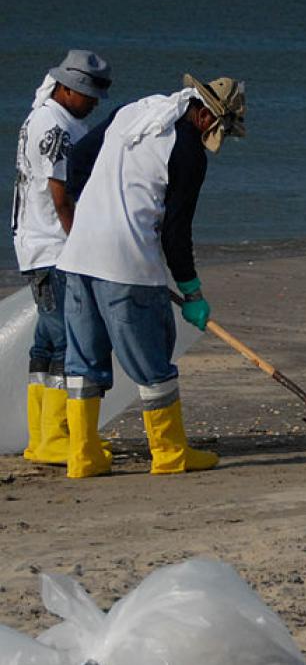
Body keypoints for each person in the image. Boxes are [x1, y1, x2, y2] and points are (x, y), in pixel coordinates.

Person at [56, 75, 246, 478]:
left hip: (77, 256)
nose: (219, 136)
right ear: (207, 114)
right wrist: (191, 290)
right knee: (152, 362)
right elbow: (177, 232)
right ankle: (170, 453)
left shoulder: (133, 112)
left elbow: (77, 160)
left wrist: (93, 208)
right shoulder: (189, 151)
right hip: (127, 267)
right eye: (222, 128)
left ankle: (83, 456)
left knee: (84, 362)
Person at [11, 50, 112, 464]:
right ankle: (55, 435)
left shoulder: (45, 116)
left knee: (47, 340)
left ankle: (43, 436)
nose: (94, 102)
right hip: (52, 245)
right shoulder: (55, 125)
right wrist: (80, 242)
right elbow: (60, 192)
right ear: (66, 88)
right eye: (88, 94)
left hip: (34, 243)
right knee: (67, 339)